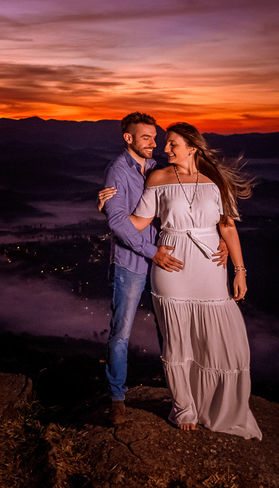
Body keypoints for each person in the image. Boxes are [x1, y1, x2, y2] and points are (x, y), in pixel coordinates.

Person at [123, 121, 262, 438]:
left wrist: (239, 271)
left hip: (211, 266)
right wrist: (110, 209)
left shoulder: (215, 180)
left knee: (222, 340)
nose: (165, 148)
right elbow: (139, 222)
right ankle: (184, 406)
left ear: (192, 148)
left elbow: (227, 227)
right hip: (172, 265)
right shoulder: (157, 178)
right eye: (166, 143)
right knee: (178, 339)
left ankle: (216, 405)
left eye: (172, 144)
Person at [97, 113, 227, 426]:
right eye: (146, 138)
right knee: (121, 334)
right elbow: (118, 223)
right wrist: (152, 251)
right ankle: (117, 399)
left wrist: (220, 236)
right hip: (134, 263)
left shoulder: (157, 168)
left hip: (164, 262)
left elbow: (185, 203)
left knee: (171, 332)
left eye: (156, 138)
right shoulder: (117, 171)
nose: (154, 144)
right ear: (128, 138)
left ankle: (182, 397)